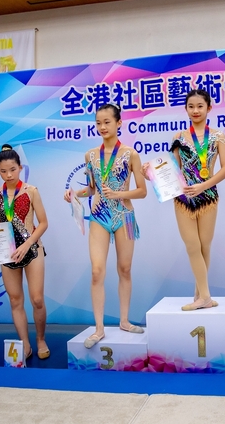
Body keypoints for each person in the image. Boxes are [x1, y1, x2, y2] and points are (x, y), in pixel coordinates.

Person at [64, 104, 147, 348]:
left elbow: (142, 191)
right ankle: (99, 328)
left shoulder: (130, 154)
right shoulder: (90, 156)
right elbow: (92, 188)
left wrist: (119, 193)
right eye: (98, 123)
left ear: (119, 123)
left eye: (107, 122)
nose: (102, 127)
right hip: (99, 216)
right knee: (97, 271)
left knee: (125, 269)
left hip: (125, 216)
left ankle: (124, 321)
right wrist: (74, 193)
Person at [142, 89, 225, 311]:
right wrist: (150, 174)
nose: (195, 110)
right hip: (183, 198)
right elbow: (173, 170)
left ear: (209, 108)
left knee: (204, 246)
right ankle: (205, 297)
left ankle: (200, 295)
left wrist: (203, 185)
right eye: (191, 106)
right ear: (186, 109)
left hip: (208, 196)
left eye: (200, 106)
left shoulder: (218, 136)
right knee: (192, 245)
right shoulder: (178, 138)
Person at [0, 145, 50, 360]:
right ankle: (25, 344)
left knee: (37, 299)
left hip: (32, 249)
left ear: (20, 168)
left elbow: (43, 223)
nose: (8, 175)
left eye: (13, 170)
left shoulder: (31, 191)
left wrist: (27, 244)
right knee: (15, 300)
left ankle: (41, 339)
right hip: (7, 253)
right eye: (4, 171)